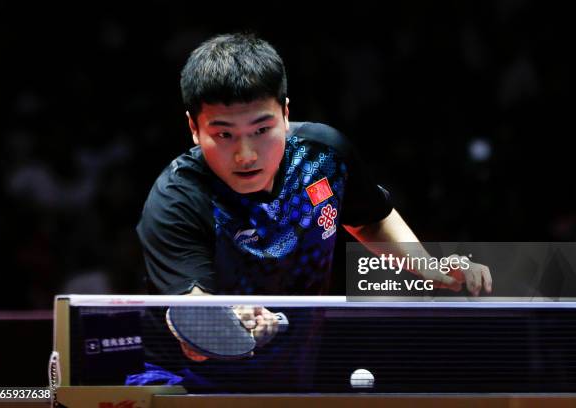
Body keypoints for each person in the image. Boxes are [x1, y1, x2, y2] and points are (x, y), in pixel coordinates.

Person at [134, 32, 492, 388]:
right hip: (186, 383)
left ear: (285, 114)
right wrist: (224, 322)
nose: (246, 154)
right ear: (194, 128)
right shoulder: (177, 198)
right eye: (224, 135)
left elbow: (371, 219)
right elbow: (193, 325)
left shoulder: (324, 157)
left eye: (262, 129)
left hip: (290, 377)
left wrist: (430, 268)